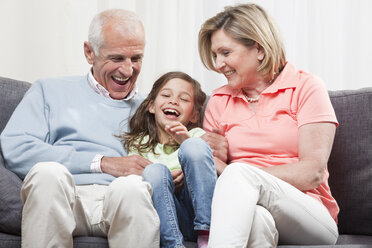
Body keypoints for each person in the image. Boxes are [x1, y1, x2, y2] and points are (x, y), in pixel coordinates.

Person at [0, 9, 161, 248]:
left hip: (119, 199)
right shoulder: (49, 91)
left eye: (136, 58)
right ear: (89, 52)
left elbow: (174, 154)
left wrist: (202, 144)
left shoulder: (152, 107)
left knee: (133, 189)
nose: (128, 71)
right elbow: (17, 149)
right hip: (62, 196)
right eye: (117, 58)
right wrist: (102, 162)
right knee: (47, 174)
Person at [198, 3, 339, 247]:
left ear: (259, 49)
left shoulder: (305, 87)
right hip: (250, 208)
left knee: (239, 173)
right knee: (258, 221)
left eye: (225, 53)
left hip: (310, 214)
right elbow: (214, 171)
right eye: (215, 55)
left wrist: (245, 177)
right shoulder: (219, 101)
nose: (218, 64)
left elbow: (312, 173)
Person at [122, 71, 217, 248]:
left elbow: (206, 171)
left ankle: (208, 232)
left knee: (194, 146)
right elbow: (134, 180)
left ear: (195, 115)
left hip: (195, 209)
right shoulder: (139, 143)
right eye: (166, 95)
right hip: (167, 213)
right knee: (155, 171)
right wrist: (168, 180)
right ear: (152, 106)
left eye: (184, 99)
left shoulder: (197, 135)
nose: (173, 101)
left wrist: (185, 142)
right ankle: (173, 244)